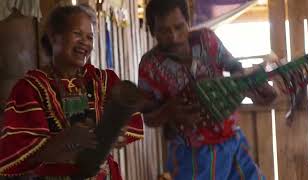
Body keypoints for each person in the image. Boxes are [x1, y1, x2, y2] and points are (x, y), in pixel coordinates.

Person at [0, 5, 145, 179]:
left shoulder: (103, 81)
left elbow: (128, 126)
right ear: (54, 37)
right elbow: (23, 152)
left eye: (89, 37)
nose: (85, 42)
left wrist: (116, 133)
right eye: (77, 34)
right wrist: (64, 140)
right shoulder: (31, 88)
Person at [139, 0, 277, 179]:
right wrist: (169, 110)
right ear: (152, 31)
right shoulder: (149, 66)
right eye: (164, 31)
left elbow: (236, 68)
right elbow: (148, 118)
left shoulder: (207, 39)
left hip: (232, 141)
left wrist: (251, 86)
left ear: (188, 22)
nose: (173, 36)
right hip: (192, 155)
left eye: (179, 27)